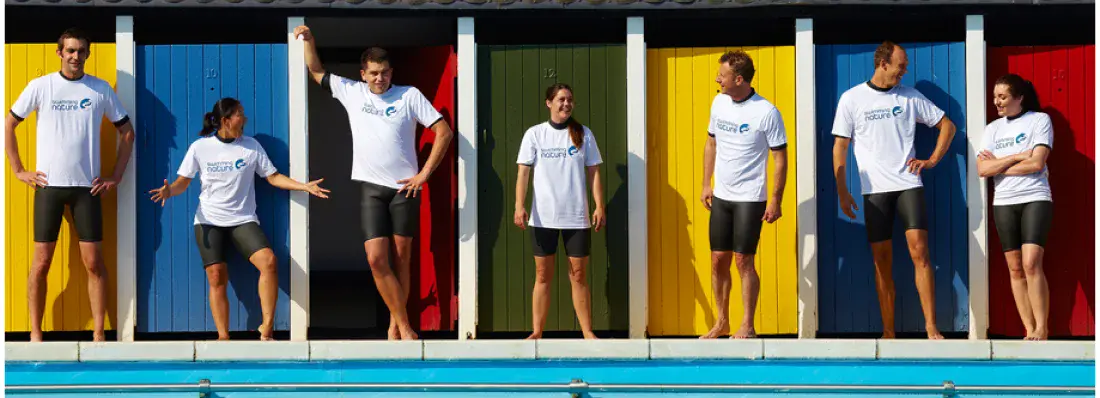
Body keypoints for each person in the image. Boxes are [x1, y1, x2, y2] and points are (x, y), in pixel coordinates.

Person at [294, 25, 454, 341]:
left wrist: (424, 174)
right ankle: (404, 322)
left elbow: (444, 132)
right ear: (363, 74)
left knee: (402, 259)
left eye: (384, 73)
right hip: (370, 188)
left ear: (391, 72)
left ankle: (397, 325)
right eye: (374, 73)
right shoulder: (352, 91)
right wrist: (311, 41)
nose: (379, 78)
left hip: (404, 189)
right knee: (376, 260)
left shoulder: (409, 95)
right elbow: (316, 71)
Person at [148, 98, 329, 341]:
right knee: (216, 275)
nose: (243, 119)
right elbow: (183, 181)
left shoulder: (251, 146)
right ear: (225, 121)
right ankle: (223, 336)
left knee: (269, 262)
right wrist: (169, 191)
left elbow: (273, 177)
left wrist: (303, 186)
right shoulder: (200, 147)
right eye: (239, 115)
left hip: (243, 220)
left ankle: (267, 327)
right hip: (209, 220)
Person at [6, 28, 137, 342]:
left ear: (88, 54)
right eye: (70, 51)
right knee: (41, 263)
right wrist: (19, 170)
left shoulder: (100, 89)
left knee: (94, 263)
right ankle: (35, 336)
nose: (76, 56)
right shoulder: (42, 86)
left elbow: (128, 133)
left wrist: (116, 176)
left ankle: (98, 336)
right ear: (59, 53)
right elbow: (9, 123)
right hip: (48, 187)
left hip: (86, 189)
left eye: (81, 51)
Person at [831, 41, 956, 340]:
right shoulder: (852, 99)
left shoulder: (910, 96)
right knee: (881, 260)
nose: (905, 70)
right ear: (883, 63)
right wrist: (842, 191)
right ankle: (889, 331)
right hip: (874, 191)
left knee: (920, 253)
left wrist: (932, 160)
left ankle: (931, 327)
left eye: (906, 66)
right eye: (901, 65)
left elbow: (947, 126)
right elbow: (840, 146)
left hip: (908, 184)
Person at [699, 50, 789, 339]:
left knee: (743, 260)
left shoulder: (767, 112)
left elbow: (780, 158)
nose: (717, 79)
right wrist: (705, 183)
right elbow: (710, 144)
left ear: (739, 79)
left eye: (722, 76)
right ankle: (721, 321)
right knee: (717, 259)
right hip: (722, 196)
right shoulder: (718, 102)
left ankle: (747, 325)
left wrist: (776, 198)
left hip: (751, 197)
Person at [514, 83, 605, 340]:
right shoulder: (535, 134)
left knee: (578, 275)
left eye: (569, 100)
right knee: (542, 275)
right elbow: (523, 172)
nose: (566, 104)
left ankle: (587, 332)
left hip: (577, 217)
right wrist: (519, 206)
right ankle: (537, 331)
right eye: (561, 99)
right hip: (543, 217)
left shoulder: (583, 134)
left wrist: (599, 205)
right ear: (549, 103)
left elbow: (594, 171)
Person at [977, 74, 1053, 341]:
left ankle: (1042, 328)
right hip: (1004, 203)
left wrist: (1000, 165)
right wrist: (1019, 155)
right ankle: (1029, 328)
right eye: (995, 97)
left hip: (1035, 197)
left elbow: (1037, 164)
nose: (997, 102)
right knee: (1015, 268)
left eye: (1003, 97)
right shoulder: (992, 129)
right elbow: (982, 169)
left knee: (1032, 263)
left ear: (1019, 98)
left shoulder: (1039, 121)